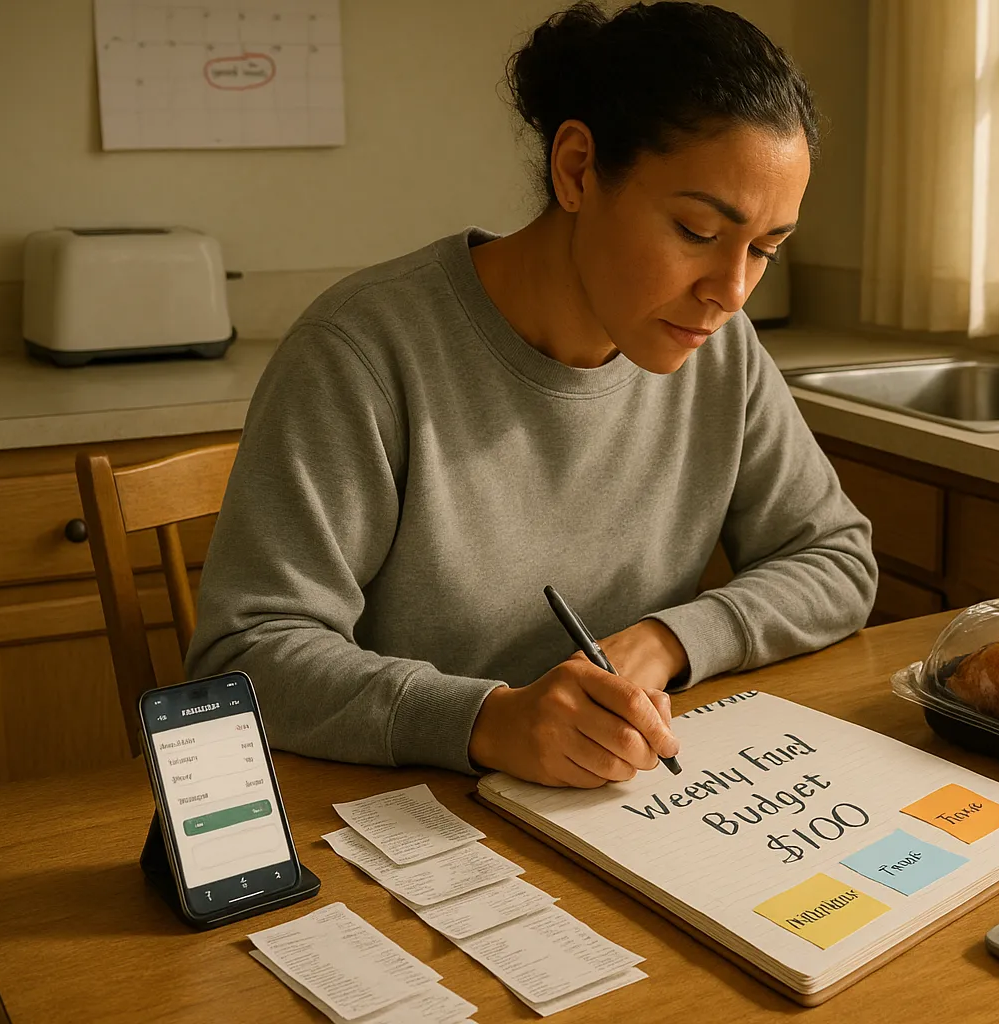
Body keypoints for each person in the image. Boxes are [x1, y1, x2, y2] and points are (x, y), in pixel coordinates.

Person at [186, 2, 877, 789]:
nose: (731, 291)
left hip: (617, 807)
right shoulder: (363, 351)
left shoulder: (721, 349)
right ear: (578, 168)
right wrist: (487, 722)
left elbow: (836, 560)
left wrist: (666, 640)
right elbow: (247, 656)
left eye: (765, 250)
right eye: (696, 231)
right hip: (400, 809)